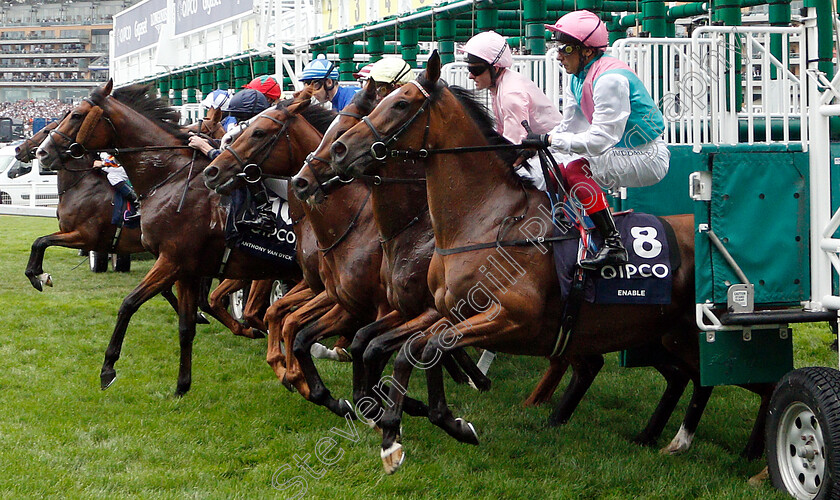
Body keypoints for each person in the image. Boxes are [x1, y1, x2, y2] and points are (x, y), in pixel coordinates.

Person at [524, 10, 669, 270]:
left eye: (566, 48)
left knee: (577, 169)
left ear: (588, 51)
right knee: (550, 168)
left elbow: (601, 139)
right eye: (557, 47)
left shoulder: (609, 80)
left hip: (647, 154)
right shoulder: (577, 79)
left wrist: (549, 139)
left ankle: (613, 244)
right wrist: (537, 152)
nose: (559, 55)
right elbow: (570, 128)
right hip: (621, 150)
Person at [461, 31, 562, 191]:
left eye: (475, 70)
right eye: (469, 69)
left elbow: (514, 147)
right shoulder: (500, 85)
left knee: (508, 182)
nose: (471, 76)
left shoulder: (510, 93)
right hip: (543, 152)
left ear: (494, 68)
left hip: (557, 154)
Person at [189, 89, 273, 231]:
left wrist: (205, 148)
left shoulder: (262, 133)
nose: (238, 122)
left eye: (240, 118)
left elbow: (234, 161)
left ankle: (264, 215)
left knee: (245, 172)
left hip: (268, 179)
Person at [189, 88, 270, 159]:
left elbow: (230, 160)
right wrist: (209, 142)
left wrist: (204, 147)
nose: (236, 124)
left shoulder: (260, 137)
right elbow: (234, 143)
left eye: (238, 118)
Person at [93, 153, 139, 223]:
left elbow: (118, 159)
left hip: (126, 167)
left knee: (112, 176)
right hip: (110, 167)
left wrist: (102, 163)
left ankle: (137, 201)